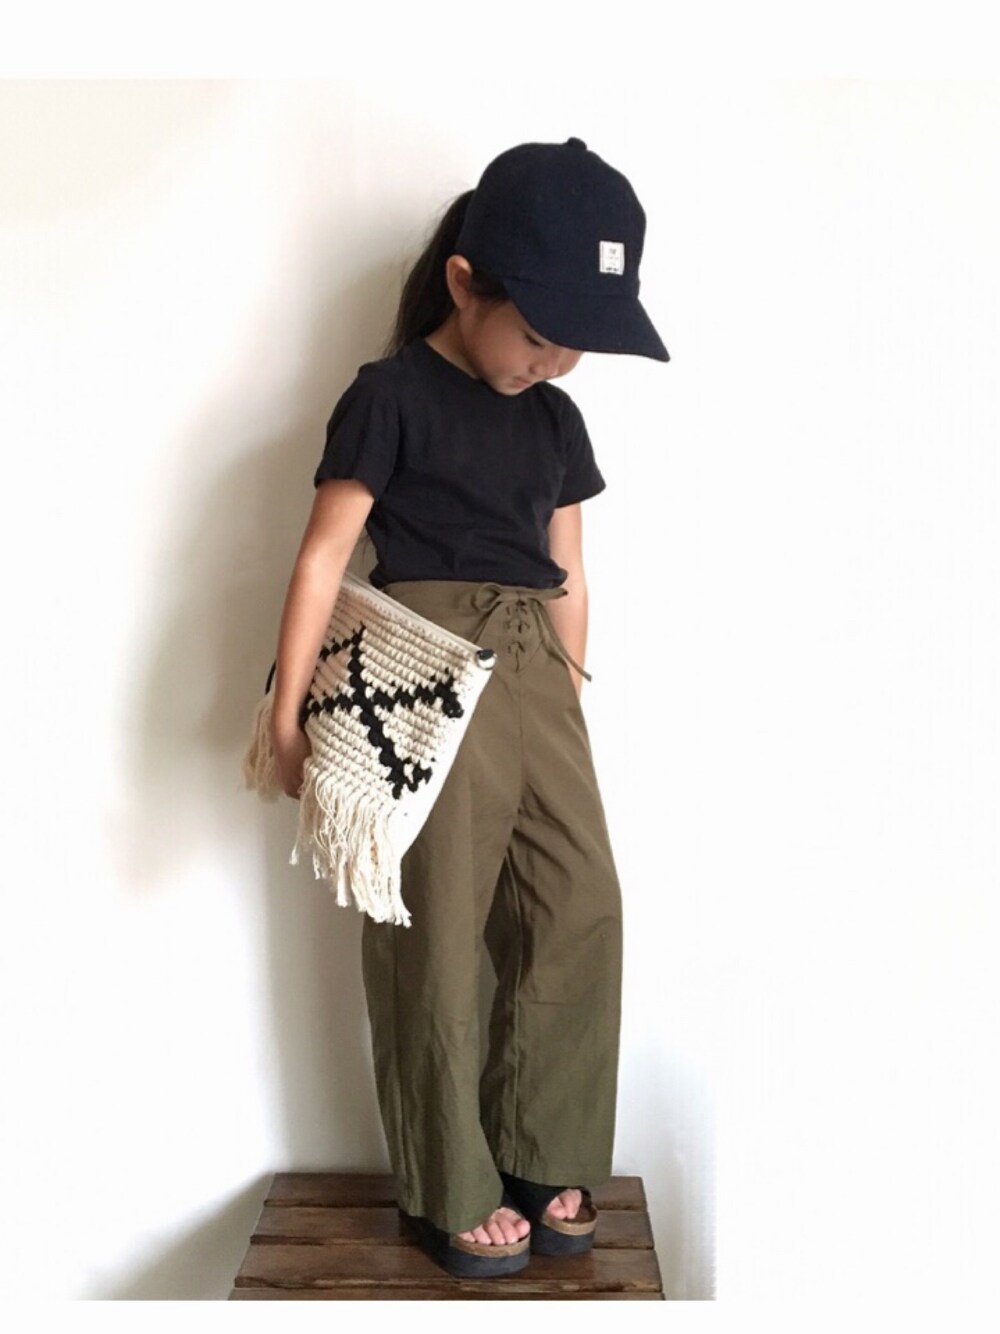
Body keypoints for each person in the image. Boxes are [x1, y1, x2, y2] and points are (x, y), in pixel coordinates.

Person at [269, 137, 669, 1278]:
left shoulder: (556, 423)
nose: (555, 360)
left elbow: (570, 571)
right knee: (437, 930)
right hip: (425, 678)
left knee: (580, 905)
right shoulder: (389, 396)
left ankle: (544, 1149)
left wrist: (568, 694)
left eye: (577, 342)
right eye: (539, 331)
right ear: (462, 280)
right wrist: (286, 715)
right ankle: (447, 1183)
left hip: (537, 679)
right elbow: (324, 555)